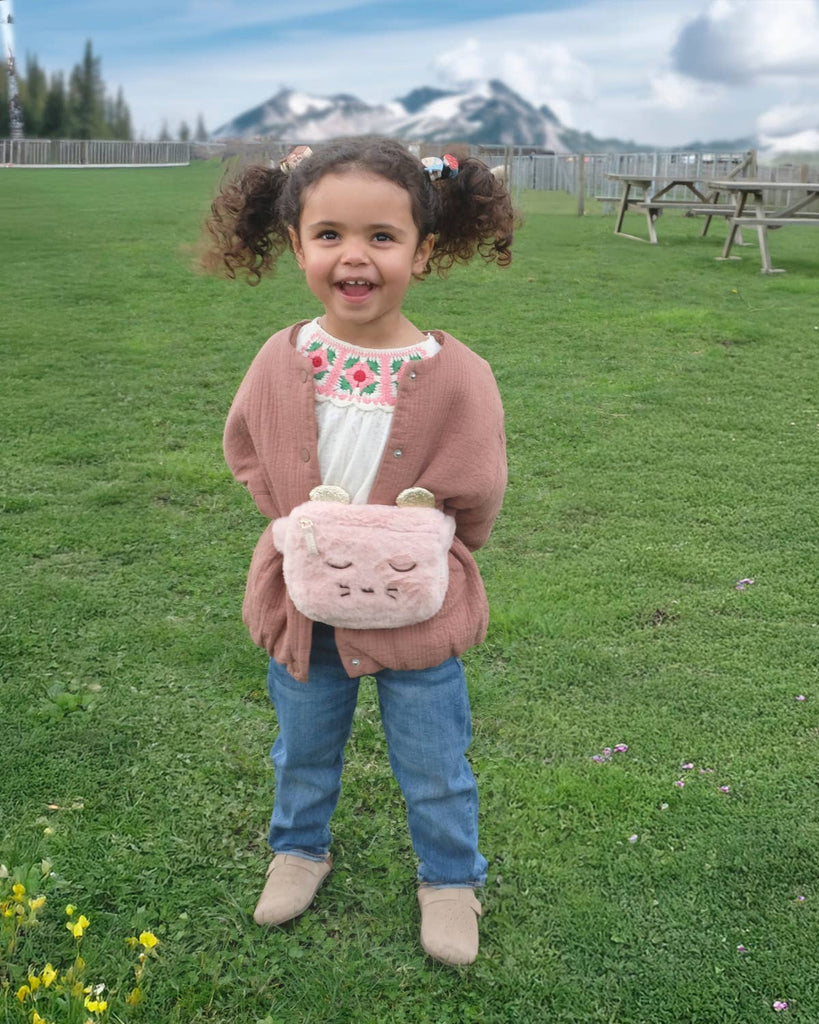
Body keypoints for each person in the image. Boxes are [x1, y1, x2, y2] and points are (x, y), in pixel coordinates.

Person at [201, 137, 514, 966]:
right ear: (295, 243)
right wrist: (297, 532)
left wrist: (428, 550)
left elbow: (477, 490)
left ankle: (450, 878)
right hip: (307, 609)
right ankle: (299, 850)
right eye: (329, 233)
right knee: (302, 748)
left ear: (425, 248)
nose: (355, 256)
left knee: (435, 760)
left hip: (416, 611)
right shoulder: (283, 357)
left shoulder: (458, 375)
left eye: (383, 236)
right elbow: (246, 448)